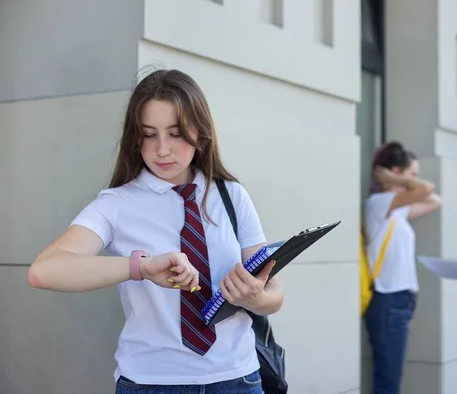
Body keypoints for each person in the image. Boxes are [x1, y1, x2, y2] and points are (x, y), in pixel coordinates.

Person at [27, 69, 284, 393]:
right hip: (153, 382)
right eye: (149, 134)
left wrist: (256, 297)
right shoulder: (117, 203)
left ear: (200, 132)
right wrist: (140, 268)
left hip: (238, 379)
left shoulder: (231, 196)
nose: (162, 149)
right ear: (136, 138)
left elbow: (274, 294)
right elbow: (44, 271)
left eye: (175, 133)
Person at [363, 142, 442, 394]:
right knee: (389, 381)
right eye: (413, 174)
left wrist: (401, 180)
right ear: (395, 171)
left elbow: (435, 200)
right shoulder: (379, 203)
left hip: (399, 300)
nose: (417, 180)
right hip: (388, 300)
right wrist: (396, 180)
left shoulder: (396, 209)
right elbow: (427, 189)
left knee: (390, 378)